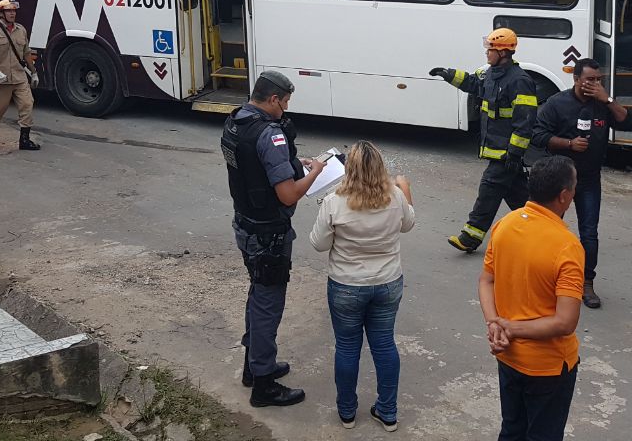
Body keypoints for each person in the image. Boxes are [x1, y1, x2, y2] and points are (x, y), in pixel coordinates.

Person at [221, 70, 327, 408]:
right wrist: (314, 173)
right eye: (285, 103)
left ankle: (253, 367)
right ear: (273, 99)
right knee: (267, 305)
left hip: (245, 223)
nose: (286, 109)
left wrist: (294, 163)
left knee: (257, 295)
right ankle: (263, 385)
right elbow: (288, 195)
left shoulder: (236, 121)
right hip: (268, 234)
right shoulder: (270, 134)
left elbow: (254, 166)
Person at [309, 140, 415, 431]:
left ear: (348, 169)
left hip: (346, 284)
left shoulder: (334, 201)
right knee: (384, 345)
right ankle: (388, 412)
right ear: (380, 167)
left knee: (346, 348)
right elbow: (408, 224)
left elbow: (318, 244)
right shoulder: (395, 195)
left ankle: (347, 413)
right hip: (387, 283)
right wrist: (405, 188)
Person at [478, 155, 583, 441]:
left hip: (508, 356)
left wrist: (495, 324)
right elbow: (565, 322)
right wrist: (509, 327)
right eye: (574, 187)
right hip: (548, 366)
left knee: (512, 430)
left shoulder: (505, 225)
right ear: (564, 196)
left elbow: (486, 280)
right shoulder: (567, 246)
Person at [532, 58, 632, 309]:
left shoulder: (602, 104)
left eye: (598, 80)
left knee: (589, 232)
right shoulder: (557, 103)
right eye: (590, 79)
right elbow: (538, 135)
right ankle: (544, 277)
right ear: (576, 79)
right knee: (549, 229)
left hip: (589, 179)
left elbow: (629, 123)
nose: (594, 84)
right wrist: (569, 144)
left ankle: (586, 283)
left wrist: (607, 99)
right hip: (559, 178)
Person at [430, 28, 538, 253]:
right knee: (519, 197)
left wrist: (514, 153)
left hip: (505, 153)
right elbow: (473, 83)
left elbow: (525, 121)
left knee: (489, 189)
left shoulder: (520, 81)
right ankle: (543, 227)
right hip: (498, 150)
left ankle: (471, 236)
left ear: (503, 52)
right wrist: (448, 74)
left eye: (490, 49)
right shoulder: (490, 73)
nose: (487, 53)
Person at [0, 0, 40, 151]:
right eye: (8, 11)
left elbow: (26, 53)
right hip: (2, 79)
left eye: (14, 11)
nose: (12, 13)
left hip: (19, 77)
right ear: (1, 13)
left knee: (27, 105)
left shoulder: (21, 30)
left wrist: (34, 73)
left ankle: (24, 140)